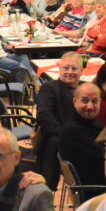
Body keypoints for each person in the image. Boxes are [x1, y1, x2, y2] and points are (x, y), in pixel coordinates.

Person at [35, 51, 81, 189]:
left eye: (74, 68)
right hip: (57, 141)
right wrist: (67, 135)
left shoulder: (85, 89)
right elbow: (44, 116)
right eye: (66, 68)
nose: (70, 72)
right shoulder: (49, 88)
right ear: (59, 69)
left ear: (81, 71)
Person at [58, 82, 106, 189]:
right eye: (85, 101)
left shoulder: (93, 123)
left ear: (100, 102)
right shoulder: (73, 132)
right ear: (75, 102)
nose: (90, 106)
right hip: (96, 191)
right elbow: (104, 163)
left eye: (94, 101)